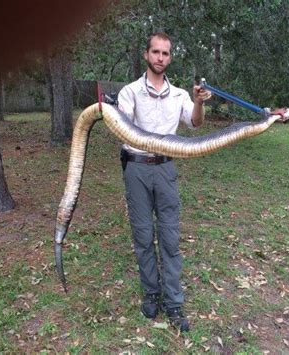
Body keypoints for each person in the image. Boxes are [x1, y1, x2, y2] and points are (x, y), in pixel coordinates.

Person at [117, 32, 211, 332]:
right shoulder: (130, 93)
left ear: (170, 58)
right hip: (137, 169)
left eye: (165, 53)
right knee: (143, 236)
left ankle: (173, 302)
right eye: (155, 52)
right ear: (146, 55)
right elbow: (123, 128)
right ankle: (151, 294)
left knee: (170, 238)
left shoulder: (181, 95)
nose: (160, 58)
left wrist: (198, 102)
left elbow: (195, 123)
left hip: (166, 168)